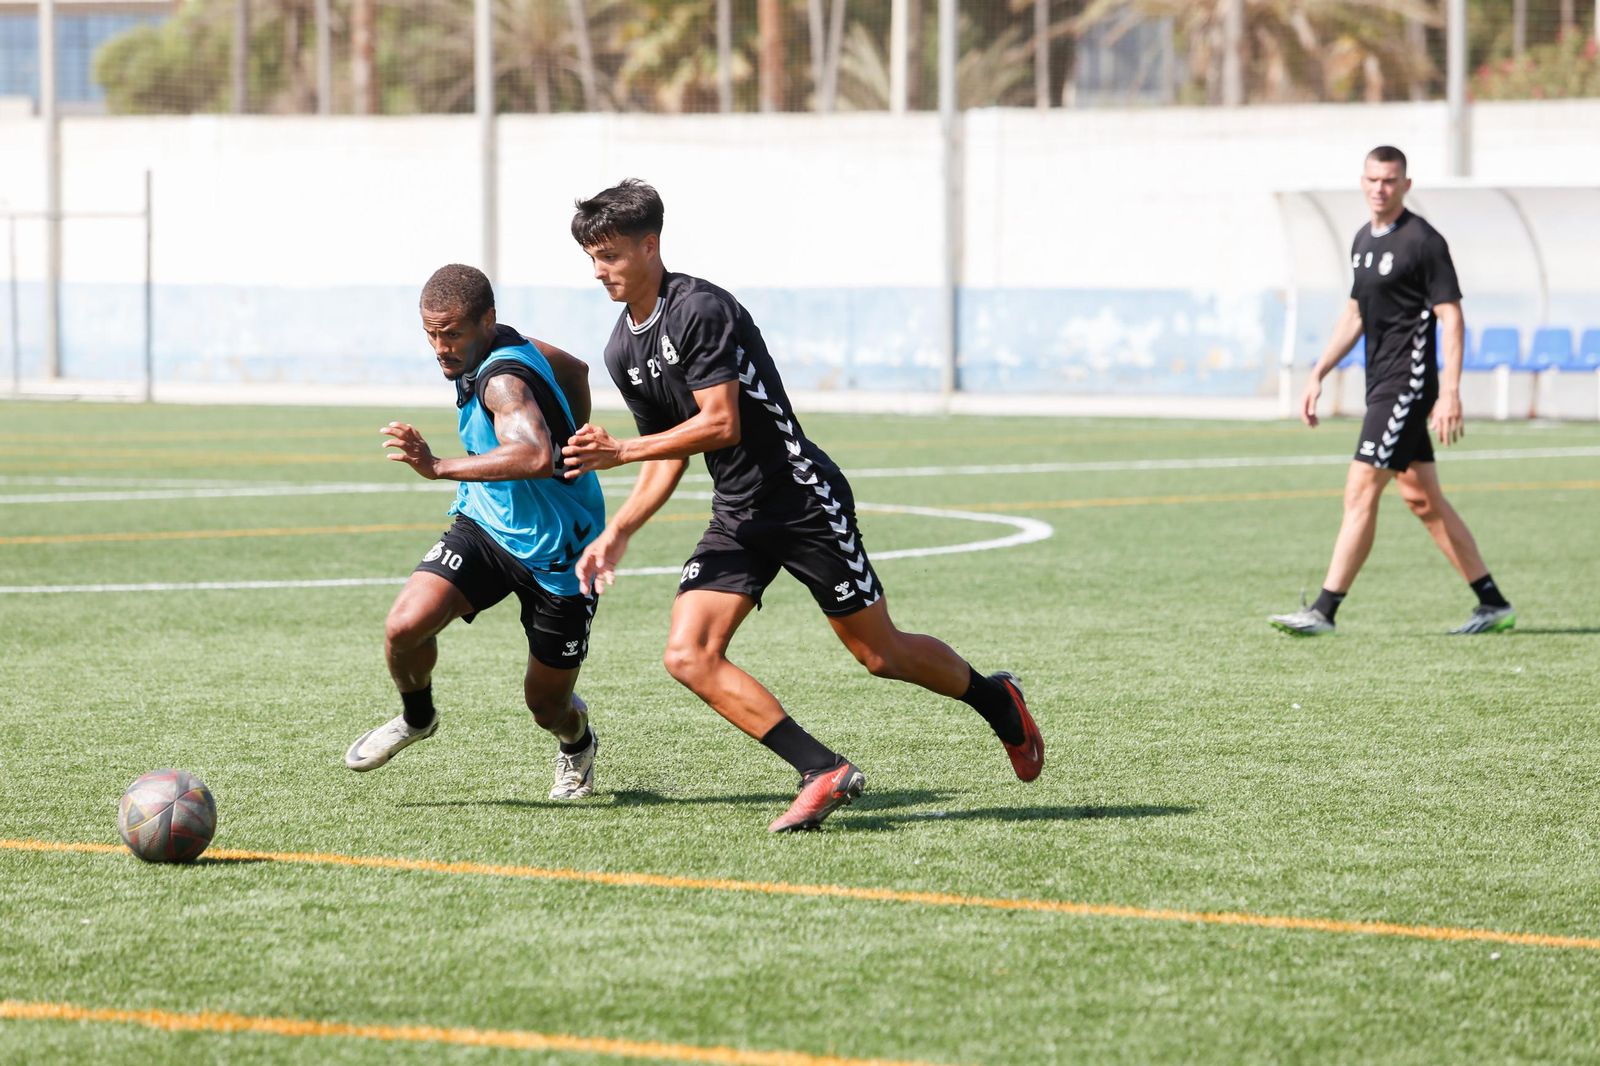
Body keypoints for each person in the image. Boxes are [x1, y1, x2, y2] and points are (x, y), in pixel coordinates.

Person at [559, 179, 1044, 834]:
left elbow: (721, 422)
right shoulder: (625, 348)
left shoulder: (700, 309)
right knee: (687, 654)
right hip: (739, 512)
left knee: (881, 655)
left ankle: (998, 701)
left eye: (610, 255)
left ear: (651, 246)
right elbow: (670, 451)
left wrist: (622, 450)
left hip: (801, 498)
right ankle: (822, 770)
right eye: (591, 257)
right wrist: (620, 529)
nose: (599, 271)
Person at [345, 264, 608, 799]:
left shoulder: (502, 377)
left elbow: (533, 455)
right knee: (403, 627)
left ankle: (577, 742)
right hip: (487, 525)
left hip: (561, 551)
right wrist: (573, 439)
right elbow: (576, 370)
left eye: (453, 333)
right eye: (431, 334)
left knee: (546, 706)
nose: (441, 347)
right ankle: (418, 719)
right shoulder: (508, 345)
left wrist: (439, 466)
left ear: (488, 321)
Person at [1270, 146, 1514, 637]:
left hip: (1408, 385)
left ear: (1406, 185)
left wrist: (1450, 393)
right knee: (1423, 500)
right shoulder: (1363, 240)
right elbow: (1356, 314)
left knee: (1361, 487)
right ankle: (1492, 603)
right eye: (1372, 179)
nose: (1380, 188)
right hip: (1379, 382)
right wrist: (1319, 372)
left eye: (1390, 180)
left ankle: (1324, 610)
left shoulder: (1424, 242)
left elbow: (1451, 316)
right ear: (1362, 182)